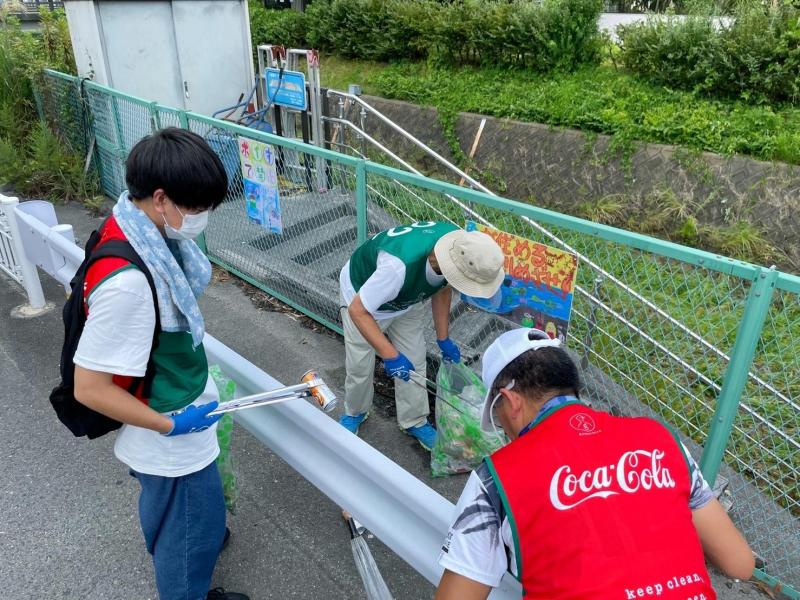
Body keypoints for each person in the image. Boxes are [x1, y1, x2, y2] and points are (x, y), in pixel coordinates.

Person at [436, 328, 754, 599]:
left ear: (510, 400)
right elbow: (740, 562)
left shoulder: (496, 478)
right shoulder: (661, 440)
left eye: (497, 417)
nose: (503, 430)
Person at [73, 128, 248, 600]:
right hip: (168, 431)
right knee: (190, 536)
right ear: (161, 197)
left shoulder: (132, 226)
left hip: (169, 407)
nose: (203, 218)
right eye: (197, 208)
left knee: (173, 517)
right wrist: (170, 426)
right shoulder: (129, 282)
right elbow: (89, 388)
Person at [338, 221, 505, 450]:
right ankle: (355, 412)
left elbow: (443, 287)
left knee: (415, 362)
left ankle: (414, 420)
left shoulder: (455, 247)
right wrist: (390, 355)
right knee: (360, 364)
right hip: (362, 298)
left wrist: (443, 338)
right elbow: (359, 310)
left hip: (405, 299)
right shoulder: (398, 267)